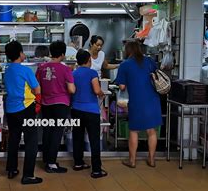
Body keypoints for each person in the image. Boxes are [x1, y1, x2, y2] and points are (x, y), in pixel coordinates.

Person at [115, 41, 162, 168]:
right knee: (151, 130)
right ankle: (152, 160)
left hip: (136, 100)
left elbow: (122, 86)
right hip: (152, 99)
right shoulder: (149, 61)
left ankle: (132, 160)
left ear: (127, 51)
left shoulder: (125, 65)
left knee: (134, 130)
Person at [3, 41, 42, 185]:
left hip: (11, 109)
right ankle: (28, 175)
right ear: (20, 53)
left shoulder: (7, 70)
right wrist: (37, 103)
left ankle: (11, 169)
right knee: (31, 141)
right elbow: (37, 89)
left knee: (14, 138)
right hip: (26, 108)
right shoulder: (25, 70)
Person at [36, 41, 75, 173]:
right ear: (63, 54)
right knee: (57, 133)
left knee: (47, 131)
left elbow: (38, 87)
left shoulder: (41, 67)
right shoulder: (65, 69)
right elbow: (71, 89)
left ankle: (46, 160)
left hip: (46, 104)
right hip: (61, 104)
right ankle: (51, 164)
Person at [72, 50, 107, 178]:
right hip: (91, 111)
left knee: (77, 137)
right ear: (89, 60)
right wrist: (101, 94)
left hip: (76, 109)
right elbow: (97, 90)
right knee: (94, 139)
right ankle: (96, 169)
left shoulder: (73, 73)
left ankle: (78, 163)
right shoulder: (92, 73)